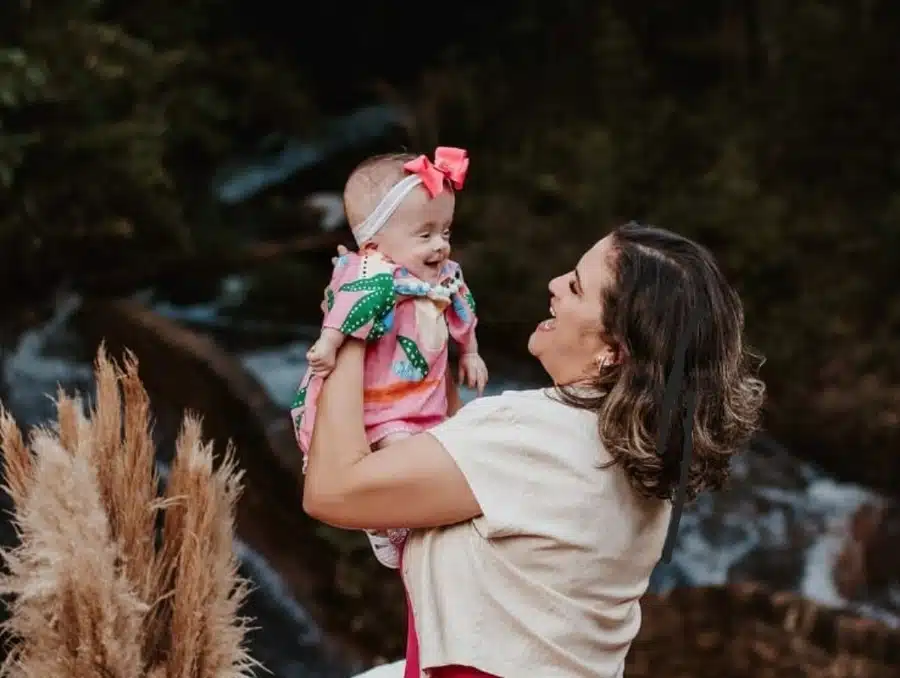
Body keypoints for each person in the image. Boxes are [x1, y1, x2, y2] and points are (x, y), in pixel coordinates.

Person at [303, 222, 766, 677]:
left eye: (577, 287)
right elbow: (459, 457)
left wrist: (351, 320)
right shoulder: (646, 460)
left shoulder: (530, 433)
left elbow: (332, 489)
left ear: (614, 350)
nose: (554, 285)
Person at [291, 147, 489, 570]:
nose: (440, 246)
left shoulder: (441, 278)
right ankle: (385, 525)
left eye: (446, 231)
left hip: (426, 397)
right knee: (400, 463)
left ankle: (420, 528)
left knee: (448, 449)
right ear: (375, 241)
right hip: (385, 405)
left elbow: (462, 307)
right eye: (425, 235)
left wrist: (469, 350)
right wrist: (328, 343)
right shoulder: (371, 275)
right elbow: (347, 309)